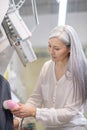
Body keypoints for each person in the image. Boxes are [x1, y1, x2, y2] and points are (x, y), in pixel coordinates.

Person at [12, 25, 87, 130]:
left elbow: (69, 112)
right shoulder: (47, 67)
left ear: (70, 49)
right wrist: (20, 119)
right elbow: (36, 98)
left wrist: (35, 112)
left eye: (57, 48)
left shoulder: (79, 72)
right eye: (49, 46)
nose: (51, 52)